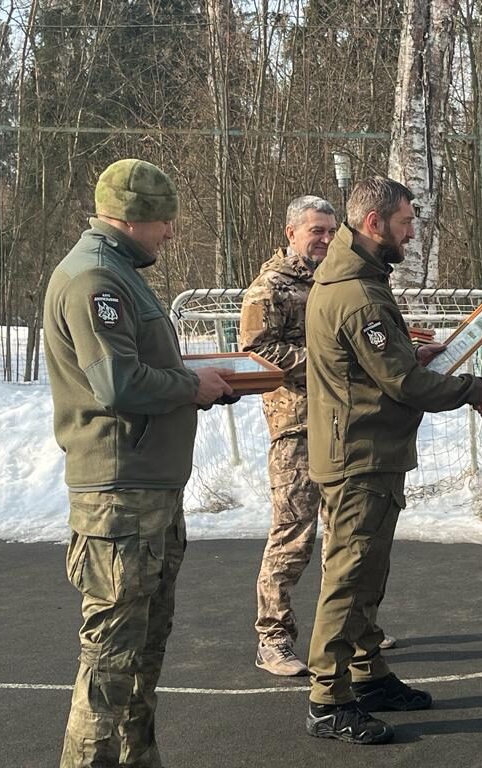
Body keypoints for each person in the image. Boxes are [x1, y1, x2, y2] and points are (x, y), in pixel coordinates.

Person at [302, 176, 482, 744]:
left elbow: (377, 363)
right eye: (405, 222)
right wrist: (474, 390)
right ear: (375, 223)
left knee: (368, 569)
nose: (412, 232)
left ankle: (368, 673)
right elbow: (402, 383)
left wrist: (410, 352)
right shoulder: (357, 293)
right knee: (348, 575)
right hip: (359, 456)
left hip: (369, 450)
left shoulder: (360, 280)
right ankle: (328, 699)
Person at [43, 158, 234, 767]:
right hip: (120, 500)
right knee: (111, 661)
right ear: (130, 219)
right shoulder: (95, 279)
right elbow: (117, 384)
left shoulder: (118, 273)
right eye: (163, 222)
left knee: (141, 653)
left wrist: (194, 378)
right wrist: (191, 385)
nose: (170, 234)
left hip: (145, 496)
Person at [239, 195, 396, 677]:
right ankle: (274, 637)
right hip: (298, 427)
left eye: (332, 231)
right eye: (316, 231)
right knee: (292, 534)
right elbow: (256, 350)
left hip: (343, 425)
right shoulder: (270, 288)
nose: (326, 239)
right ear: (292, 233)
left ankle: (345, 629)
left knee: (345, 537)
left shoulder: (341, 280)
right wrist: (325, 363)